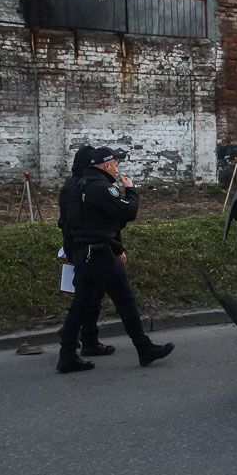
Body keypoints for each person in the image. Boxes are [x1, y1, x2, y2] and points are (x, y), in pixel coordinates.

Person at [56, 147, 175, 373]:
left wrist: (73, 254)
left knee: (80, 307)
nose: (117, 167)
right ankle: (144, 348)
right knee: (125, 301)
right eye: (115, 163)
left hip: (83, 253)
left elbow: (68, 225)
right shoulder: (101, 188)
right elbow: (127, 213)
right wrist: (130, 191)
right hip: (100, 254)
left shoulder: (76, 186)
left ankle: (67, 354)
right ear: (106, 164)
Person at [57, 145, 114, 358]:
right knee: (89, 298)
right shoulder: (85, 186)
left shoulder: (72, 185)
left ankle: (82, 336)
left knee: (89, 296)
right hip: (90, 248)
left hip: (78, 248)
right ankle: (78, 337)